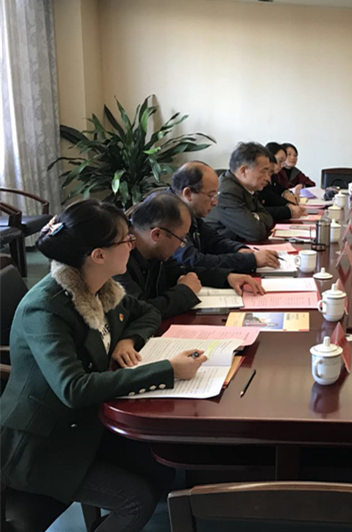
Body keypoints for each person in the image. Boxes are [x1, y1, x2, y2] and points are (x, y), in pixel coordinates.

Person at [0, 199, 207, 531]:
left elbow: (147, 312)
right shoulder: (46, 308)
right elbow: (74, 388)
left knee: (161, 464)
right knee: (136, 500)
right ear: (98, 255)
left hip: (85, 425)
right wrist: (168, 370)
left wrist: (128, 340)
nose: (132, 244)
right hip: (39, 446)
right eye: (126, 239)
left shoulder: (100, 288)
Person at [117, 192, 265, 318]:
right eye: (181, 239)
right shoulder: (118, 258)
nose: (181, 245)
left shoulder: (154, 250)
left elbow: (181, 271)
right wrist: (185, 291)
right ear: (157, 234)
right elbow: (138, 312)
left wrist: (226, 277)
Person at [170, 161, 280, 273]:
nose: (215, 203)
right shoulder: (168, 214)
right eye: (211, 196)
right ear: (188, 193)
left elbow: (213, 240)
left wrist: (239, 249)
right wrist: (250, 260)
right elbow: (192, 261)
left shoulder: (187, 209)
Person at [205, 142, 277, 241]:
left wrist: (253, 217)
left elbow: (269, 219)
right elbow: (255, 232)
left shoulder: (247, 187)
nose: (268, 179)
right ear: (243, 170)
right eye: (263, 171)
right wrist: (254, 217)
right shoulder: (227, 192)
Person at [257, 144, 306, 222]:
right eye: (280, 161)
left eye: (295, 155)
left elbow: (277, 189)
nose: (282, 166)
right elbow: (267, 199)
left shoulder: (275, 175)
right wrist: (289, 210)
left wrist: (286, 193)